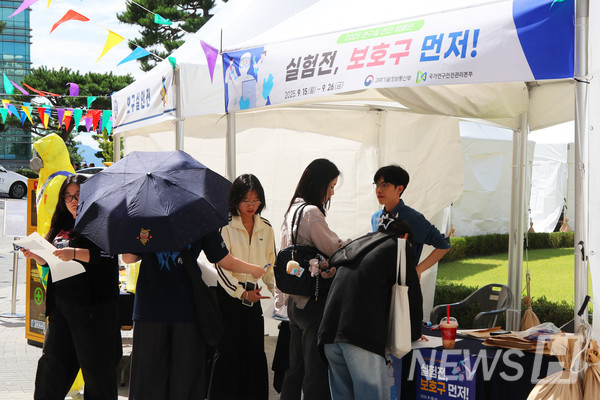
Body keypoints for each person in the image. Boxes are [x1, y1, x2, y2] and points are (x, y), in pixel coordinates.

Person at [123, 230, 266, 400]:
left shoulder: (146, 217)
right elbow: (226, 261)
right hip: (186, 308)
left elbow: (128, 258)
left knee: (148, 377)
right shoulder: (200, 218)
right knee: (185, 377)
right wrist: (255, 270)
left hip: (150, 308)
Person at [21, 174, 122, 400]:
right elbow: (51, 256)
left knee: (97, 372)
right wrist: (37, 256)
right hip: (63, 306)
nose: (72, 201)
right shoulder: (63, 223)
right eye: (67, 197)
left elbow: (108, 255)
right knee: (52, 364)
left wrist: (74, 254)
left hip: (93, 309)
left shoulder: (101, 220)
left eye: (77, 195)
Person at [318, 219, 423, 399]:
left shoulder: (358, 245)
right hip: (360, 336)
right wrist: (414, 332)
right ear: (406, 237)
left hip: (329, 333)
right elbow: (412, 296)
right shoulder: (399, 246)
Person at [279, 158, 347, 400]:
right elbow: (333, 248)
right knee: (315, 371)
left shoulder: (293, 209)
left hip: (294, 300)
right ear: (319, 185)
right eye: (330, 186)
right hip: (313, 300)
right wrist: (350, 244)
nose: (331, 193)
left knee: (294, 368)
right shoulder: (311, 213)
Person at [208, 174, 276, 400]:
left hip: (254, 296)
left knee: (255, 352)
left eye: (256, 200)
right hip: (229, 297)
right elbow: (221, 267)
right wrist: (241, 292)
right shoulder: (224, 225)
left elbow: (270, 265)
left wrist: (276, 291)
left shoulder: (265, 227)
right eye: (246, 200)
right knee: (228, 353)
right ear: (235, 199)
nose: (251, 206)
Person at [371, 164, 450, 278]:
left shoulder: (412, 218)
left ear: (399, 189)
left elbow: (443, 245)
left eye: (385, 185)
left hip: (402, 283)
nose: (379, 190)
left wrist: (417, 270)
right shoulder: (376, 217)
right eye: (377, 184)